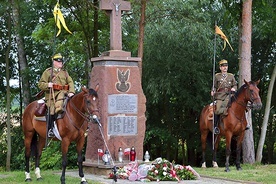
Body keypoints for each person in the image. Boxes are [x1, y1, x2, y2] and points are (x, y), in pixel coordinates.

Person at [38, 53, 75, 137]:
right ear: (54, 62)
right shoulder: (48, 72)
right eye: (58, 62)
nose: (60, 63)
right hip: (52, 96)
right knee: (52, 109)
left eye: (61, 61)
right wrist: (48, 85)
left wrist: (71, 91)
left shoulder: (65, 72)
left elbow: (70, 82)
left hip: (64, 93)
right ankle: (50, 129)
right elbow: (40, 84)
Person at [211, 59, 237, 134]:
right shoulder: (217, 76)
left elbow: (235, 85)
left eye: (226, 66)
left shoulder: (231, 76)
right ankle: (215, 127)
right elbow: (214, 86)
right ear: (220, 68)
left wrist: (233, 88)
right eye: (223, 66)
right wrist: (213, 91)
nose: (225, 67)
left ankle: (244, 124)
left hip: (230, 95)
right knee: (218, 110)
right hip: (220, 96)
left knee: (240, 105)